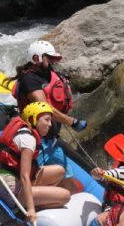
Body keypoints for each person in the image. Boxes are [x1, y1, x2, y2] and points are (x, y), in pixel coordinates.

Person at [6, 40, 87, 194]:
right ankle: (23, 201)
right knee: (30, 180)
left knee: (71, 186)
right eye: (49, 58)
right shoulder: (29, 79)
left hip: (51, 140)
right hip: (37, 141)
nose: (52, 63)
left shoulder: (47, 75)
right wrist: (72, 122)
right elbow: (45, 108)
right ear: (36, 58)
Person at [0, 102, 71, 222]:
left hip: (15, 178)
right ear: (33, 119)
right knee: (65, 196)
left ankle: (38, 197)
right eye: (46, 120)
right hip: (12, 190)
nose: (50, 124)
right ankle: (25, 209)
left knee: (60, 171)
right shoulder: (28, 139)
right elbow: (24, 176)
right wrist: (31, 209)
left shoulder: (26, 131)